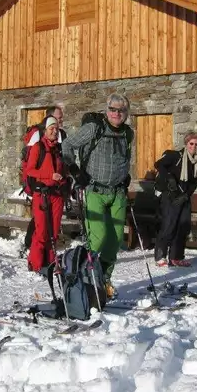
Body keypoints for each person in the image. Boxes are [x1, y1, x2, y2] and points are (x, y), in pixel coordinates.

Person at [62, 94, 133, 299]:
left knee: (115, 239)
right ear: (106, 110)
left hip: (118, 192)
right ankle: (86, 277)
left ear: (126, 113)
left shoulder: (128, 133)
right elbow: (67, 145)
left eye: (121, 110)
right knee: (98, 237)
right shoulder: (95, 128)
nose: (116, 114)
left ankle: (103, 278)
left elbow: (124, 157)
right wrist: (75, 170)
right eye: (112, 109)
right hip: (94, 190)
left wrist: (125, 175)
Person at [25, 115, 69, 272]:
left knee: (54, 231)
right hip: (41, 194)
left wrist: (65, 182)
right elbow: (29, 170)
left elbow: (63, 171)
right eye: (52, 128)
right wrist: (49, 176)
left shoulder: (59, 149)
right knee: (42, 231)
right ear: (45, 130)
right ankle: (35, 263)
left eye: (57, 128)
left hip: (57, 195)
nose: (55, 131)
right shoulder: (38, 147)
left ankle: (51, 262)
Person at [153, 132, 197, 267]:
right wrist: (169, 177)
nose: (194, 146)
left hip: (184, 198)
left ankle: (176, 257)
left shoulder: (196, 162)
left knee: (183, 227)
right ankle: (160, 256)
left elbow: (194, 182)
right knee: (169, 226)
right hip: (170, 196)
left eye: (196, 144)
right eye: (191, 143)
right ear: (186, 143)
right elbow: (159, 165)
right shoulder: (175, 156)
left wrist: (186, 196)